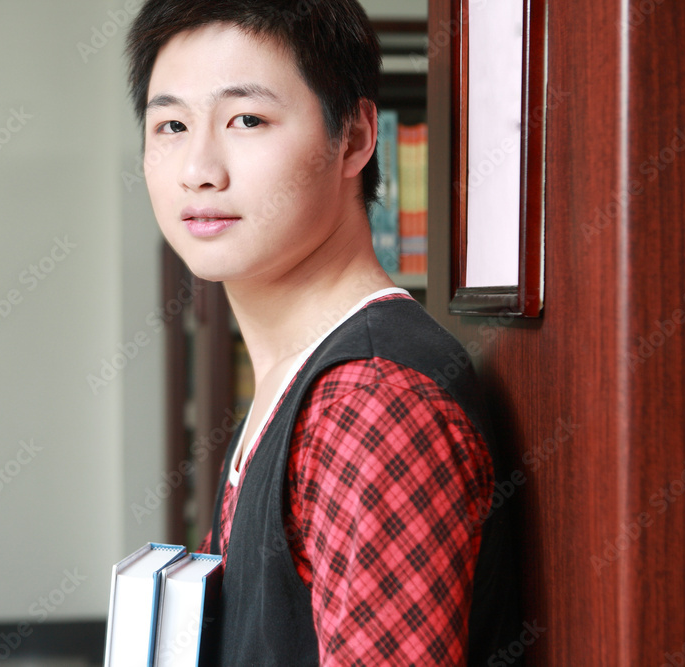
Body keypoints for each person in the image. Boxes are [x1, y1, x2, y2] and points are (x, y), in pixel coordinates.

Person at [125, 1, 522, 664]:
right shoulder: (303, 375)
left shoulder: (370, 399)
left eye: (246, 119)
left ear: (356, 138)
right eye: (170, 124)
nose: (199, 168)